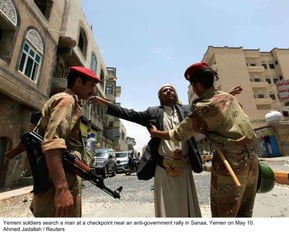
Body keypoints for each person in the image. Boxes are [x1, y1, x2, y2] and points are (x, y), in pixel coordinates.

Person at [149, 62, 259, 217]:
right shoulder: (229, 98)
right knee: (244, 213)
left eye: (193, 85)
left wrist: (156, 133)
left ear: (198, 85)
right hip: (252, 160)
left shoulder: (204, 106)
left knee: (225, 214)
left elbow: (179, 134)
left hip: (231, 162)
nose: (193, 89)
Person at [90, 84, 202, 217]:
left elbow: (206, 111)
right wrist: (106, 103)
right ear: (160, 97)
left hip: (185, 167)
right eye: (164, 90)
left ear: (176, 94)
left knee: (187, 206)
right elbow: (129, 114)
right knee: (166, 206)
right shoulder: (153, 112)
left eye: (171, 89)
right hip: (164, 167)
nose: (168, 91)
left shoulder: (187, 110)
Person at [30, 66, 101, 217]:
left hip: (61, 173)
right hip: (57, 179)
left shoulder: (69, 101)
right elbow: (53, 143)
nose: (93, 91)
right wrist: (62, 189)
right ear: (78, 82)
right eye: (91, 86)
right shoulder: (66, 100)